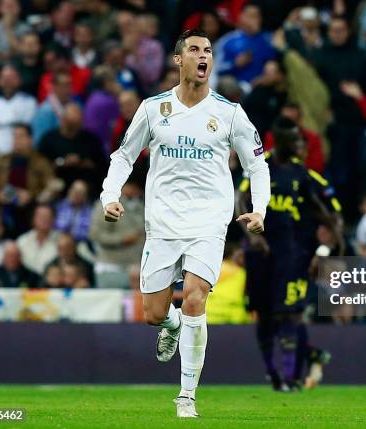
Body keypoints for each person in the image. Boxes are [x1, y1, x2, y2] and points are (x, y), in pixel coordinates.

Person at [99, 29, 270, 418]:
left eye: (208, 50)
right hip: (162, 222)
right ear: (179, 60)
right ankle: (171, 325)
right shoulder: (152, 108)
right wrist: (111, 195)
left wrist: (260, 208)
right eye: (194, 50)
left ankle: (187, 396)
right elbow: (124, 156)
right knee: (154, 314)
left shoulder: (229, 113)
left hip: (209, 221)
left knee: (196, 294)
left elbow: (257, 164)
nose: (202, 55)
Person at [238, 117, 334, 391]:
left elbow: (319, 209)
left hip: (290, 255)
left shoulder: (300, 173)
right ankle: (274, 374)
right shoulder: (260, 166)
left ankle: (290, 376)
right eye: (293, 139)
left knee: (289, 314)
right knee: (264, 314)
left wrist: (327, 240)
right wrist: (250, 236)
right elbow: (239, 198)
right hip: (261, 253)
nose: (298, 144)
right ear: (280, 141)